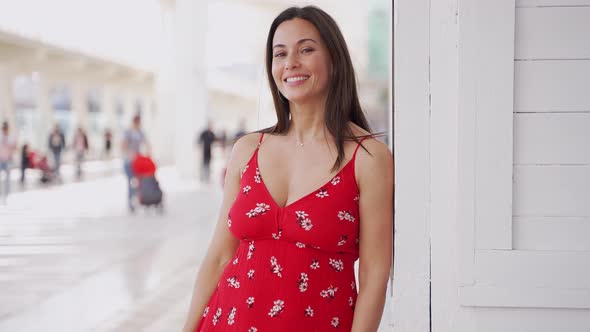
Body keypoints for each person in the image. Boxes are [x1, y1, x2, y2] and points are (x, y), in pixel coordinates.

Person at [182, 6, 393, 332]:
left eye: (306, 49)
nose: (290, 62)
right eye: (280, 54)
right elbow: (220, 256)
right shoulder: (248, 149)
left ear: (334, 59)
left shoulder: (368, 157)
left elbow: (374, 272)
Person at [122, 114, 148, 212]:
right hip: (128, 161)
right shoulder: (128, 132)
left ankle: (139, 200)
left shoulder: (140, 132)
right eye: (137, 122)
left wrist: (149, 153)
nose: (138, 124)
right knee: (130, 182)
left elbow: (146, 142)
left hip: (138, 161)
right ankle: (130, 203)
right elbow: (123, 145)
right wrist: (129, 154)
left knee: (140, 182)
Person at [0, 121, 16, 204]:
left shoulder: (11, 137)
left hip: (8, 160)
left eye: (6, 129)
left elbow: (14, 146)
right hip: (0, 159)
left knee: (7, 179)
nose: (5, 130)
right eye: (3, 129)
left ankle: (5, 196)